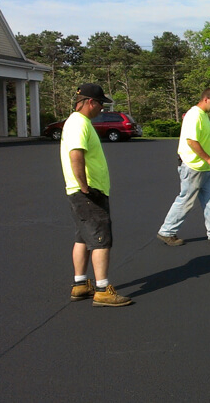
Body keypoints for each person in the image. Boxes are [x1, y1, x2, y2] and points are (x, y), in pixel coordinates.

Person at [62, 83, 132, 307]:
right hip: (88, 192)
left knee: (83, 237)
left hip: (86, 191)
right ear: (90, 101)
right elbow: (76, 156)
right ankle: (102, 290)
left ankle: (80, 284)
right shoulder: (78, 124)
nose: (102, 108)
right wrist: (84, 187)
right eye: (100, 103)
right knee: (102, 240)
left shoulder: (81, 123)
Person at [156, 88, 210, 245]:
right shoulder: (194, 115)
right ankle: (166, 232)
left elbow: (204, 142)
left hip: (204, 167)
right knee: (186, 200)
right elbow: (192, 142)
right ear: (206, 99)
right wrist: (208, 159)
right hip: (193, 166)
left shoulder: (204, 116)